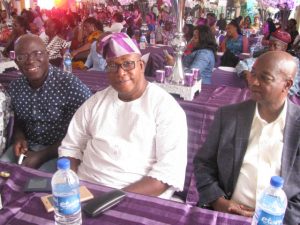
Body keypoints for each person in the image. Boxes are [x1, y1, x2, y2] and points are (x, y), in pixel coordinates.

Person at [58, 32, 187, 199]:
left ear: (141, 65)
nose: (120, 72)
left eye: (128, 64)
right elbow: (71, 147)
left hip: (137, 198)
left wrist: (109, 198)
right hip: (85, 190)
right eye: (112, 65)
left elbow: (167, 174)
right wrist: (71, 182)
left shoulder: (165, 107)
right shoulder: (95, 102)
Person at [194, 51, 300, 224]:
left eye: (265, 78)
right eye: (253, 73)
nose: (253, 82)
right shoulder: (228, 116)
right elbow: (204, 164)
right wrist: (218, 201)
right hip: (226, 215)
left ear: (287, 85)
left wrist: (275, 219)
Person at [0, 34, 92, 172]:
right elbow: (18, 119)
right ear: (16, 61)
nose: (30, 61)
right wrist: (19, 136)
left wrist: (41, 156)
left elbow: (85, 131)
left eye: (37, 53)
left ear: (47, 55)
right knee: (4, 172)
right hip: (27, 148)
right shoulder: (16, 87)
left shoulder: (70, 86)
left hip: (61, 151)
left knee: (41, 184)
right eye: (22, 56)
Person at [236, 29, 300, 96]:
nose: (271, 49)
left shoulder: (293, 62)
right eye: (269, 45)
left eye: (275, 45)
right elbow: (242, 64)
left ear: (284, 47)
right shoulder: (266, 57)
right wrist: (246, 74)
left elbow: (294, 88)